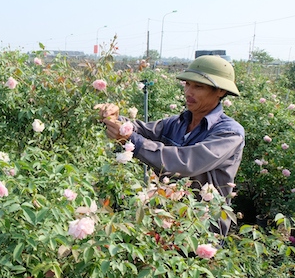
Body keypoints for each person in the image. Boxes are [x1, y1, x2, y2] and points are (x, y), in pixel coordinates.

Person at [95, 55, 244, 234]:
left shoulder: (229, 133)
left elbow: (186, 162)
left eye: (198, 86)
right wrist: (116, 118)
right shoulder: (177, 122)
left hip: (200, 228)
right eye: (187, 84)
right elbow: (142, 130)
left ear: (220, 91)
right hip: (165, 218)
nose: (189, 92)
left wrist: (129, 138)